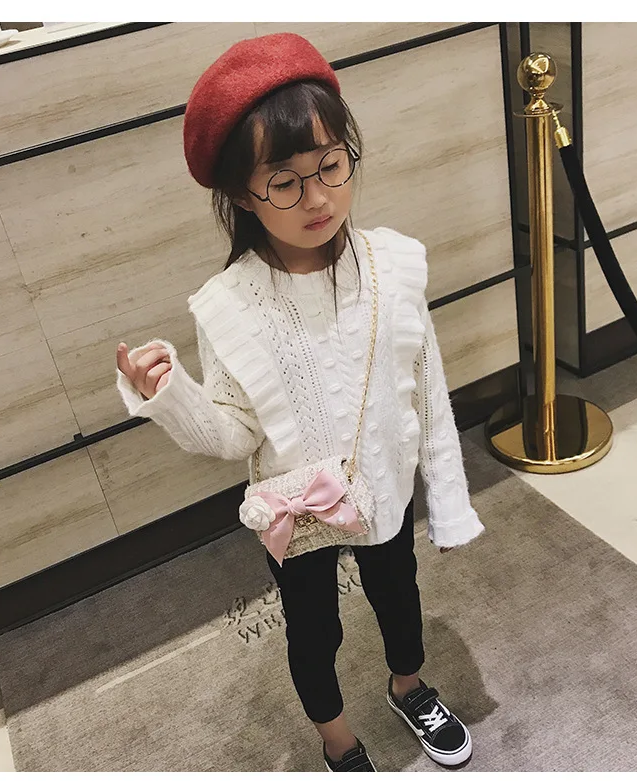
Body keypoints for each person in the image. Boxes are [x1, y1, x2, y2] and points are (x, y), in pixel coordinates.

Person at [115, 32, 485, 773]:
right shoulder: (229, 305)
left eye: (331, 167)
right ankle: (337, 740)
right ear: (240, 195)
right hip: (297, 506)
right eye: (284, 182)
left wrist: (448, 502)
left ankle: (408, 686)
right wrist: (170, 394)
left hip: (384, 479)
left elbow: (427, 392)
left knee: (399, 594)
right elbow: (233, 434)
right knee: (312, 630)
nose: (318, 198)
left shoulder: (394, 265)